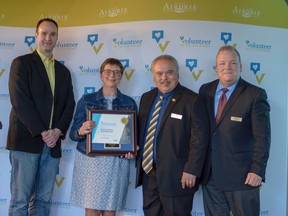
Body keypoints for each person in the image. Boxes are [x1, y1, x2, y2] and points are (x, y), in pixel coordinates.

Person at [6, 18, 75, 216]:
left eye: (52, 34)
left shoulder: (63, 72)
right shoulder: (21, 63)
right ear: (36, 35)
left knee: (44, 202)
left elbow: (69, 105)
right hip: (26, 141)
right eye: (44, 33)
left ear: (57, 38)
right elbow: (20, 101)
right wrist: (44, 132)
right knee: (20, 202)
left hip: (53, 145)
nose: (48, 38)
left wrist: (58, 131)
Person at [199, 45, 271, 216]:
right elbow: (201, 130)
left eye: (233, 63)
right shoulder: (205, 90)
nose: (227, 67)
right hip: (210, 175)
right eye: (222, 63)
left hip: (243, 176)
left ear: (241, 67)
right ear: (216, 68)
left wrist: (258, 169)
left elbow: (263, 137)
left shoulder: (255, 94)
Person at [136, 55, 209, 215]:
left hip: (178, 176)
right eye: (159, 73)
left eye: (169, 72)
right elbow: (142, 132)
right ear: (154, 76)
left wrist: (192, 170)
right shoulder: (146, 98)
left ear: (177, 74)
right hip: (149, 174)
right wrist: (132, 147)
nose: (164, 78)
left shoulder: (192, 100)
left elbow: (200, 140)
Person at [69, 58, 137, 216]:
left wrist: (132, 149)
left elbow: (132, 137)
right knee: (91, 210)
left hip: (116, 161)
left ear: (121, 76)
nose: (112, 75)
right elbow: (73, 134)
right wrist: (82, 130)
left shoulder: (130, 102)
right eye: (108, 71)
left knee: (110, 210)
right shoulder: (86, 100)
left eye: (116, 72)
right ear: (101, 75)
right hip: (90, 161)